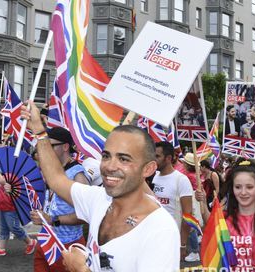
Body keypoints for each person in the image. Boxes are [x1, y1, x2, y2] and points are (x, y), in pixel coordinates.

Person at [21, 101, 180, 271]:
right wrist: (39, 131)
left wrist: (81, 270)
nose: (110, 166)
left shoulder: (160, 228)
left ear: (148, 169)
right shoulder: (99, 200)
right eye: (106, 156)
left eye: (124, 159)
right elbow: (56, 178)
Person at [30, 127, 89, 272]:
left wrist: (52, 219)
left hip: (68, 246)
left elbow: (85, 215)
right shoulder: (50, 170)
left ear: (65, 146)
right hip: (45, 240)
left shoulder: (78, 175)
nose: (46, 150)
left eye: (50, 146)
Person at [196, 158, 255, 270]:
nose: (243, 192)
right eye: (238, 187)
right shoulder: (225, 217)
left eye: (249, 187)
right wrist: (202, 201)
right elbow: (211, 226)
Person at [152, 141, 193, 261]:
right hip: (154, 236)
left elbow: (187, 215)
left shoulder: (181, 180)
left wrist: (182, 244)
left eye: (157, 156)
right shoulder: (155, 176)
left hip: (171, 238)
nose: (154, 159)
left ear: (168, 158)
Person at [0, 161, 37, 257]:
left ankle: (30, 242)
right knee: (3, 228)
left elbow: (2, 181)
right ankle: (1, 248)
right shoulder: (7, 173)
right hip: (3, 207)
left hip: (11, 208)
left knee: (14, 227)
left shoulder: (14, 175)